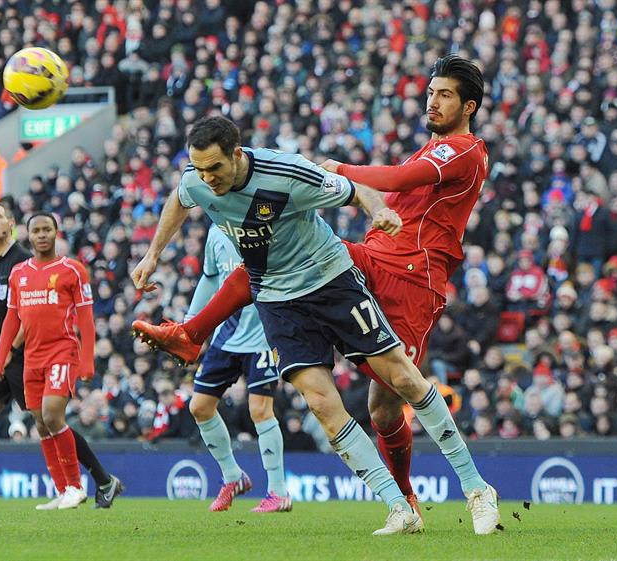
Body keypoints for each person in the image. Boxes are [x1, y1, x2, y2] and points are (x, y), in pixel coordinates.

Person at [133, 56, 497, 526]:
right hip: (374, 254)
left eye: (445, 95)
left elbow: (399, 180)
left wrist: (341, 169)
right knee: (271, 258)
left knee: (388, 401)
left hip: (414, 274)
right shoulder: (433, 145)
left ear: (469, 106)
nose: (433, 101)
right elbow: (182, 195)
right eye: (430, 92)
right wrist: (152, 254)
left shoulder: (464, 149)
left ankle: (476, 489)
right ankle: (404, 504)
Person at [0, 202, 121, 509]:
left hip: (24, 355)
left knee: (48, 419)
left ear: (11, 225)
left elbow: (25, 317)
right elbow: (0, 316)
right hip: (2, 356)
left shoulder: (23, 260)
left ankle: (96, 480)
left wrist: (10, 351)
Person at [0, 212, 98, 510]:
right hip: (31, 357)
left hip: (62, 351)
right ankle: (63, 490)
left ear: (56, 232)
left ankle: (76, 486)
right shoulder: (19, 273)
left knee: (52, 415)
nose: (41, 235)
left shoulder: (72, 270)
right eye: (35, 230)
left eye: (46, 229)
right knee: (40, 424)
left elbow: (86, 319)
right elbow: (11, 319)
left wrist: (87, 360)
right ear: (27, 235)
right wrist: (0, 356)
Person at [188, 224, 290, 513]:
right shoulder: (215, 232)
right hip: (226, 336)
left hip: (263, 336)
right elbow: (210, 278)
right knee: (200, 407)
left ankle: (278, 491)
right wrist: (189, 322)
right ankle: (233, 476)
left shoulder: (266, 226)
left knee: (260, 410)